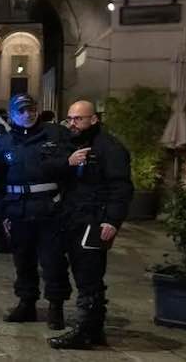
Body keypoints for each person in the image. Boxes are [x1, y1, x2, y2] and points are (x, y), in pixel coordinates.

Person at [49, 100, 133, 349]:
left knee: (89, 277)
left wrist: (112, 220)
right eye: (70, 119)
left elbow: (121, 188)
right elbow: (49, 169)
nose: (72, 123)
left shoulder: (110, 148)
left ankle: (86, 331)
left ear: (93, 119)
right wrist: (68, 162)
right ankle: (92, 330)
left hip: (95, 220)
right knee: (81, 274)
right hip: (72, 217)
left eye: (78, 119)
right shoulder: (71, 144)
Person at [0, 93, 73, 330]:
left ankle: (56, 307)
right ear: (13, 114)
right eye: (22, 111)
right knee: (23, 261)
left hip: (49, 210)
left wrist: (65, 205)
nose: (28, 114)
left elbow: (71, 170)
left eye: (31, 109)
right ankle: (27, 303)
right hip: (18, 212)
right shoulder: (3, 144)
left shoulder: (55, 135)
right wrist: (2, 212)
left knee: (53, 262)